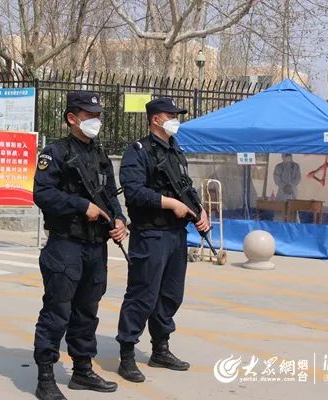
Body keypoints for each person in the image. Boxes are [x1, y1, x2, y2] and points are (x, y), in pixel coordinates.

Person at [32, 91, 127, 400]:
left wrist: (119, 219)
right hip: (66, 244)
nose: (96, 121)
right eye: (90, 116)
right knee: (57, 311)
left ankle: (82, 370)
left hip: (96, 245)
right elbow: (42, 194)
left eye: (98, 116)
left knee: (88, 309)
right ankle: (45, 376)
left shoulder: (99, 155)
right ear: (72, 118)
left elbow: (110, 194)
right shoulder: (55, 153)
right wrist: (80, 205)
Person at [116, 98, 210, 383]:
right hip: (150, 234)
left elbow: (186, 186)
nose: (176, 120)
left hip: (176, 234)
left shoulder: (175, 150)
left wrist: (199, 209)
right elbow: (134, 192)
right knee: (142, 294)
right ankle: (127, 354)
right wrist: (169, 203)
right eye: (171, 116)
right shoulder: (138, 152)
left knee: (170, 294)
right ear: (156, 119)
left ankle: (160, 349)